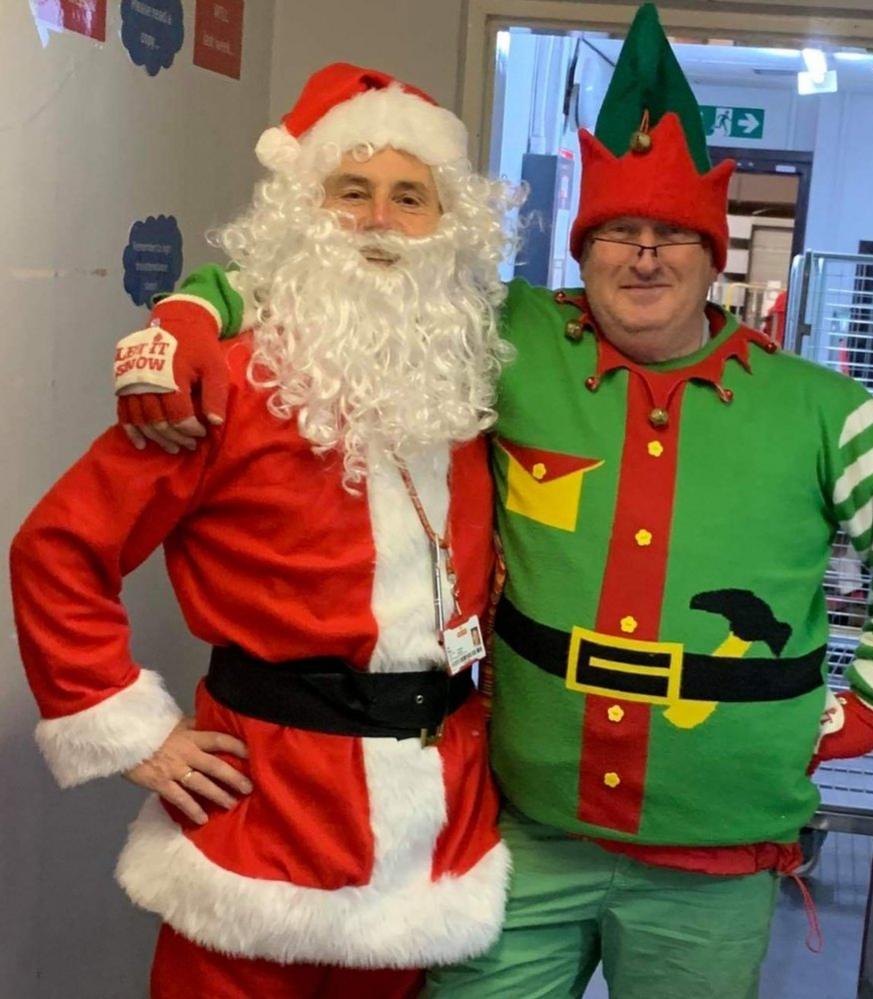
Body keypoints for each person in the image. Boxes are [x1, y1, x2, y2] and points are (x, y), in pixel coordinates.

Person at [95, 6, 873, 997]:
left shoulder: (817, 407)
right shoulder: (514, 339)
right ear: (583, 251)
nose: (643, 255)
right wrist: (183, 313)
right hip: (521, 841)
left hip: (717, 860)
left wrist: (872, 708)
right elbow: (341, 268)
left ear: (717, 254)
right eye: (617, 233)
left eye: (671, 235)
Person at [10, 64, 520, 999]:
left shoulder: (472, 381)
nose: (376, 219)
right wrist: (132, 732)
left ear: (447, 226)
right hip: (265, 808)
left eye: (410, 197)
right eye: (350, 190)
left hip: (432, 820)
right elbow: (58, 548)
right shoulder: (222, 381)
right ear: (303, 211)